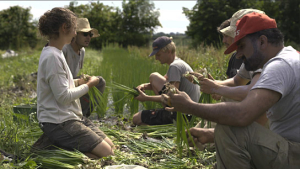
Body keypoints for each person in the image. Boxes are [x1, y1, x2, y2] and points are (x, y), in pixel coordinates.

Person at [163, 12, 300, 168]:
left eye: (241, 47)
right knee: (228, 127)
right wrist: (212, 135)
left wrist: (190, 106)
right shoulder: (288, 58)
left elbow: (243, 114)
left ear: (262, 41)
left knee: (229, 127)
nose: (239, 55)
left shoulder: (280, 66)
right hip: (288, 148)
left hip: (294, 153)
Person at [37, 7, 114, 159]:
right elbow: (64, 97)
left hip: (70, 116)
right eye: (74, 28)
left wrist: (78, 81)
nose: (75, 33)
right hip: (59, 122)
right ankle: (49, 152)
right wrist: (88, 85)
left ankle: (57, 143)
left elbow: (61, 83)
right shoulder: (53, 56)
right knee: (107, 154)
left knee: (111, 146)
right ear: (64, 28)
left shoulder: (56, 52)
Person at [191, 9, 267, 147]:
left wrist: (215, 88)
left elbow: (253, 93)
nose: (238, 53)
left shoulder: (267, 58)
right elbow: (237, 81)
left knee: (230, 102)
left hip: (281, 135)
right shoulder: (251, 55)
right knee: (228, 100)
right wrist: (211, 83)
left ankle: (215, 138)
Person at [132, 36, 200, 125]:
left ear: (169, 51)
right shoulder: (178, 63)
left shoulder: (174, 67)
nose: (156, 58)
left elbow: (172, 97)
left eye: (158, 55)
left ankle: (163, 128)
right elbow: (162, 83)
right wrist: (144, 86)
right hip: (190, 113)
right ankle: (164, 117)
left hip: (182, 115)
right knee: (154, 77)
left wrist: (146, 98)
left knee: (136, 118)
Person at [62, 18, 105, 117]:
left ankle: (83, 115)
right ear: (75, 34)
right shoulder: (65, 49)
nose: (88, 37)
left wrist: (84, 78)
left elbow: (74, 74)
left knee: (100, 82)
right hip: (63, 86)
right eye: (85, 34)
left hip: (72, 83)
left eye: (90, 35)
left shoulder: (82, 51)